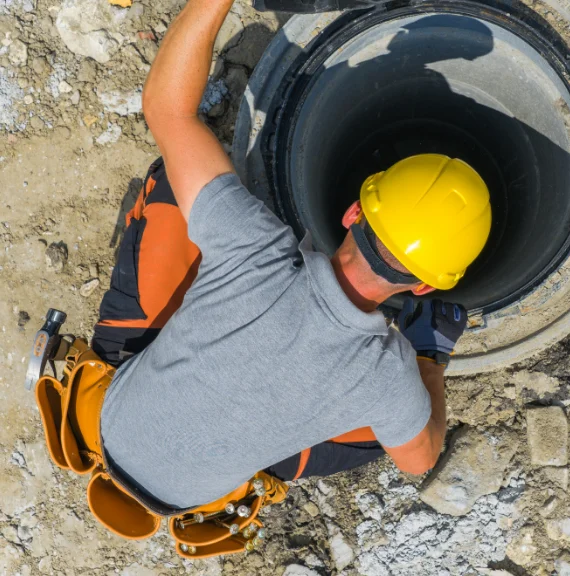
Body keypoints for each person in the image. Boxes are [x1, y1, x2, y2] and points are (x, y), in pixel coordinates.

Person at [90, 0, 492, 514]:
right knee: (395, 431)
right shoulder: (387, 378)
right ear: (424, 286)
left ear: (352, 213)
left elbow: (167, 110)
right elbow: (419, 461)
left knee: (178, 174)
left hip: (116, 419)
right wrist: (429, 360)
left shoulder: (252, 248)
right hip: (187, 497)